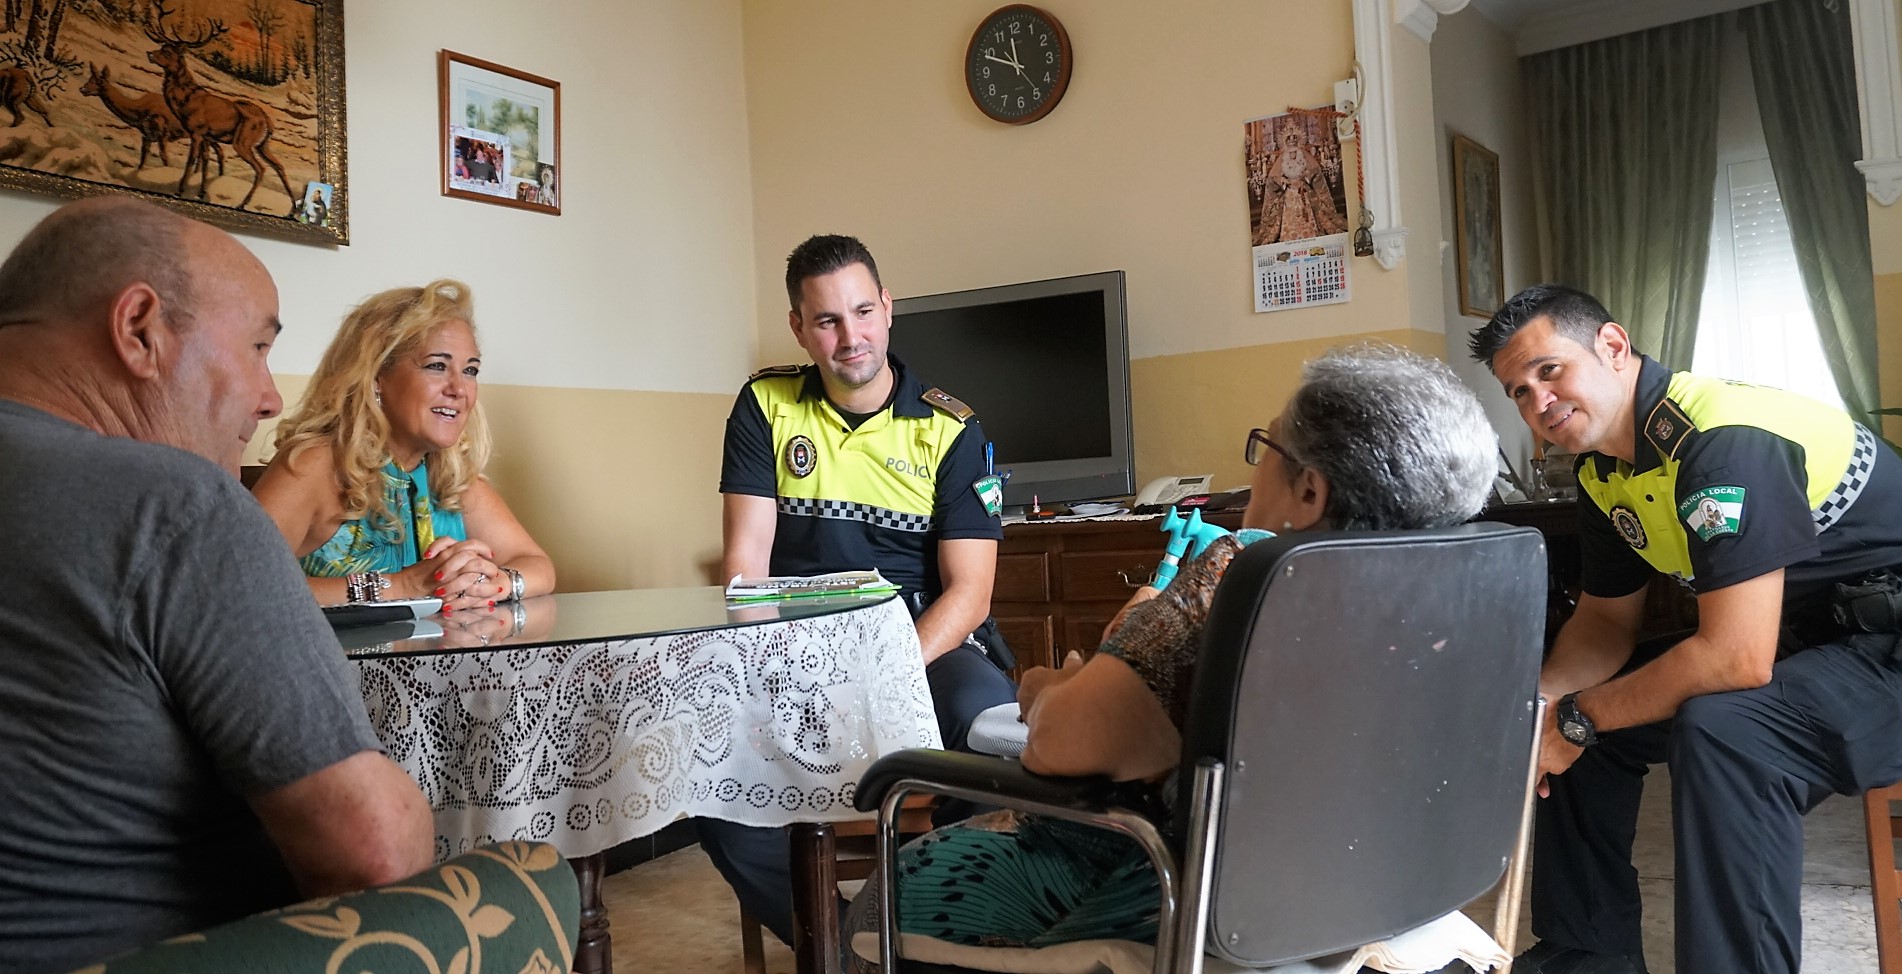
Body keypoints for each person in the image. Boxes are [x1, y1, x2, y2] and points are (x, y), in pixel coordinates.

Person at [841, 344, 1498, 970]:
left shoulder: (1242, 579)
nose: (1254, 469)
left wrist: (1048, 694)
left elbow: (1058, 748)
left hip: (1180, 896)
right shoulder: (1455, 589)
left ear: (1310, 492)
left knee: (882, 896)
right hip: (1384, 890)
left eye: (1266, 447)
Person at [0, 197, 435, 972]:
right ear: (139, 329)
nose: (270, 397)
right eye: (259, 347)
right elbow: (374, 855)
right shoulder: (173, 503)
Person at [1468, 284, 1902, 974]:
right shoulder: (1604, 473)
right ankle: (1591, 958)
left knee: (1728, 731)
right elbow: (1605, 622)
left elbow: (1736, 659)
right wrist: (1543, 710)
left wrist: (1581, 717)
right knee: (1574, 720)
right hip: (1811, 643)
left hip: (1885, 650)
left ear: (1613, 346)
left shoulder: (1721, 443)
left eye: (1550, 371)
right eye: (1519, 391)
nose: (1538, 402)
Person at [709, 233, 1020, 946]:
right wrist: (766, 671)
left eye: (862, 312)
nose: (851, 338)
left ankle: (943, 937)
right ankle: (842, 948)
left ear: (887, 307)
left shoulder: (952, 429)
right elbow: (746, 567)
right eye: (827, 320)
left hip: (923, 644)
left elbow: (970, 594)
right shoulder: (764, 404)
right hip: (795, 648)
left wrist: (882, 674)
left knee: (993, 736)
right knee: (711, 777)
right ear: (799, 328)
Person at [252, 280, 554, 612]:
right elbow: (243, 586)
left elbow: (538, 566)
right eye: (437, 366)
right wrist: (403, 586)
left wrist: (493, 583)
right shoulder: (315, 464)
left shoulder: (450, 478)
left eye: (470, 370)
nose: (459, 389)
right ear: (376, 377)